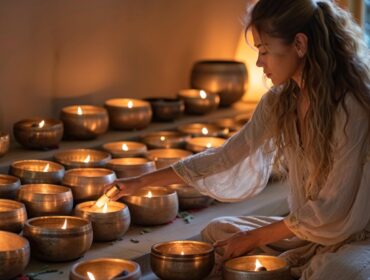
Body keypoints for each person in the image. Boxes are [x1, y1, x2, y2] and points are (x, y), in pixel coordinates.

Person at [105, 0, 370, 278]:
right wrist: (139, 182)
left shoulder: (351, 107)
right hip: (310, 235)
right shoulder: (280, 102)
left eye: (264, 50)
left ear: (300, 45)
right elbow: (227, 156)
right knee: (218, 231)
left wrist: (254, 239)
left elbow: (332, 211)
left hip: (355, 236)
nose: (259, 62)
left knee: (337, 271)